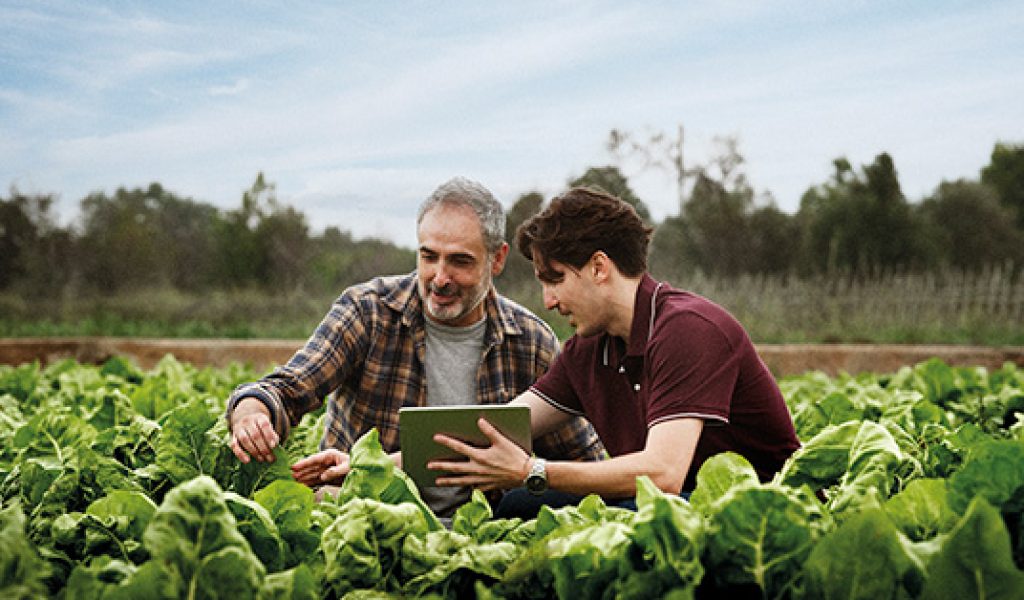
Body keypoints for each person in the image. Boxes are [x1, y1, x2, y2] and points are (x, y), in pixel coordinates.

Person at [225, 177, 604, 517]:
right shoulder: (368, 312)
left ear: (498, 259)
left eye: (459, 261)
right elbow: (285, 389)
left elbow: (585, 461)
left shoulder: (531, 341)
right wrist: (250, 416)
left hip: (486, 537)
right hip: (364, 527)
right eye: (429, 256)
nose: (440, 278)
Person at [430, 186, 801, 517]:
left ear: (598, 267)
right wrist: (384, 465)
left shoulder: (689, 330)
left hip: (759, 511)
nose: (548, 301)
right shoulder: (590, 348)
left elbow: (664, 473)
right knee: (519, 505)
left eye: (555, 279)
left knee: (646, 510)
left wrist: (533, 471)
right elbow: (494, 425)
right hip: (669, 503)